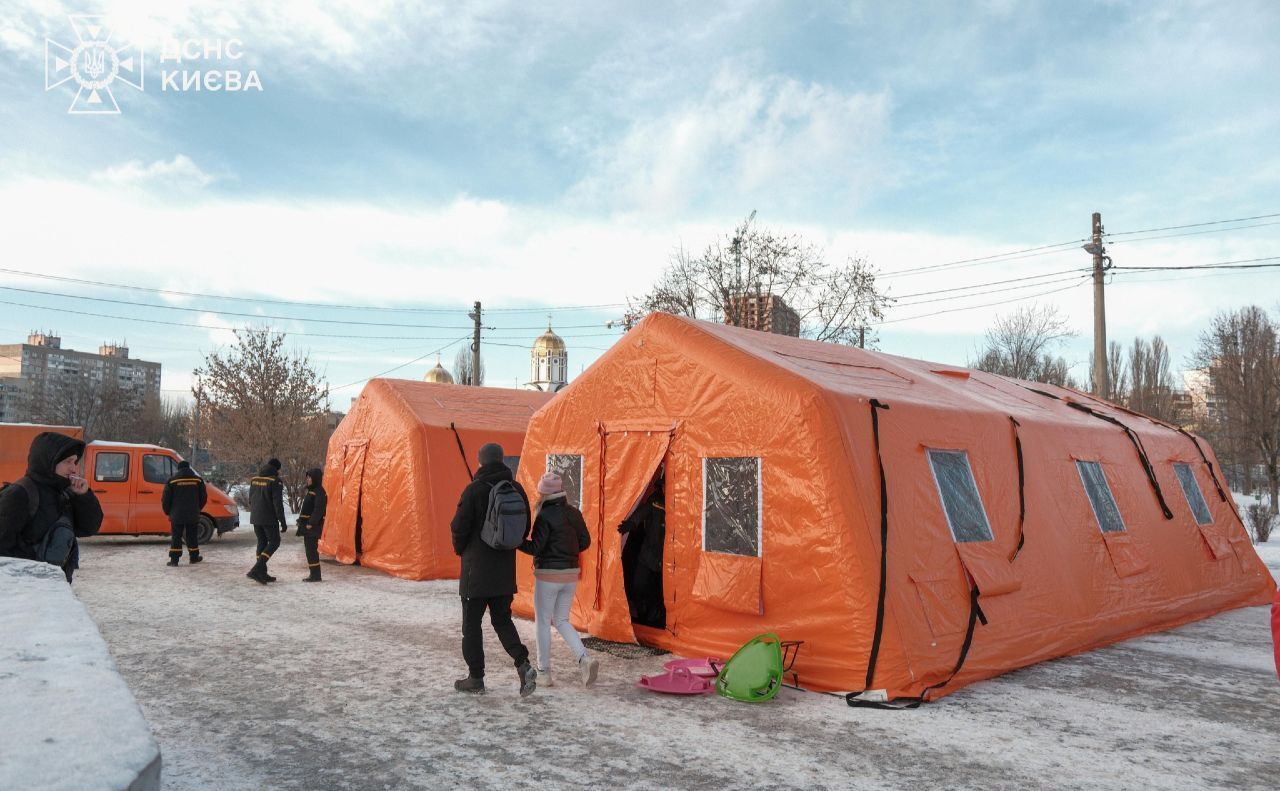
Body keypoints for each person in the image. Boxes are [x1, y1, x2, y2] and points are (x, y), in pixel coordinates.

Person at [449, 442, 536, 696]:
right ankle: (523, 663)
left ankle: (475, 678)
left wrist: (461, 550)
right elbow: (524, 528)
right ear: (502, 460)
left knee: (472, 625)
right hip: (503, 571)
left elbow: (458, 527)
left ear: (481, 462)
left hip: (475, 572)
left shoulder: (474, 490)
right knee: (502, 620)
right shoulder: (516, 489)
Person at [519, 471, 598, 687]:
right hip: (570, 574)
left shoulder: (544, 515)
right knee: (562, 620)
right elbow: (585, 541)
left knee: (543, 622)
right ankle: (584, 658)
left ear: (543, 494)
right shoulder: (574, 512)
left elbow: (536, 547)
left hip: (548, 576)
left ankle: (544, 672)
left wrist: (516, 541)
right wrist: (568, 554)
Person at [0, 431, 103, 582]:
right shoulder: (19, 494)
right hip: (26, 589)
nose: (74, 469)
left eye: (75, 462)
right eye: (68, 461)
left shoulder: (65, 493)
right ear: (49, 461)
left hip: (56, 586)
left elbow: (89, 528)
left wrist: (84, 496)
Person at [617, 478, 666, 628]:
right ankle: (642, 615)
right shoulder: (656, 500)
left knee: (658, 591)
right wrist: (631, 523)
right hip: (649, 553)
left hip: (666, 557)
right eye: (664, 485)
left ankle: (655, 617)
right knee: (640, 584)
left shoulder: (681, 501)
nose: (666, 488)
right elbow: (643, 511)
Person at [246, 458, 287, 584]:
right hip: (268, 518)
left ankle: (261, 573)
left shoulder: (254, 480)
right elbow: (277, 503)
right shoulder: (275, 481)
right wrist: (282, 521)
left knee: (262, 542)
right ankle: (256, 569)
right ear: (276, 468)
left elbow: (250, 499)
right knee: (275, 542)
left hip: (255, 517)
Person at [162, 459, 207, 566]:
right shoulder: (198, 480)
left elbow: (165, 499)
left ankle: (174, 560)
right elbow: (203, 497)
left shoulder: (172, 481)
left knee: (176, 536)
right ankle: (194, 557)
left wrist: (168, 511)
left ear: (178, 469)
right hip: (192, 513)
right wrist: (197, 508)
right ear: (189, 468)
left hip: (177, 514)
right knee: (192, 535)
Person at [295, 467, 326, 582]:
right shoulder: (312, 490)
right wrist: (301, 520)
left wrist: (311, 523)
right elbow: (307, 508)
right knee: (309, 550)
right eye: (307, 477)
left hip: (312, 526)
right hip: (308, 525)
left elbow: (318, 509)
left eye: (310, 478)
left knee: (311, 550)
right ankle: (314, 574)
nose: (308, 480)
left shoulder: (319, 492)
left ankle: (316, 575)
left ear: (315, 479)